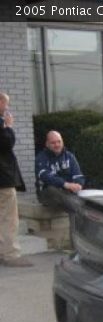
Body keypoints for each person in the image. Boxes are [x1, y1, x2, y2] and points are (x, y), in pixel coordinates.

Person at [0, 91, 31, 268]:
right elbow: (6, 143)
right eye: (5, 104)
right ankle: (11, 254)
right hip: (3, 179)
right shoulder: (2, 124)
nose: (7, 108)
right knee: (9, 218)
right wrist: (9, 126)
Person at [35, 130, 85, 212]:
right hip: (47, 193)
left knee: (75, 198)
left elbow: (78, 175)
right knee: (52, 190)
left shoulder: (69, 156)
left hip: (66, 192)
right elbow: (46, 176)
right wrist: (65, 184)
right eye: (53, 143)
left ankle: (75, 207)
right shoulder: (41, 158)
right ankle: (77, 207)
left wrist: (78, 185)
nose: (57, 145)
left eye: (59, 142)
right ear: (47, 144)